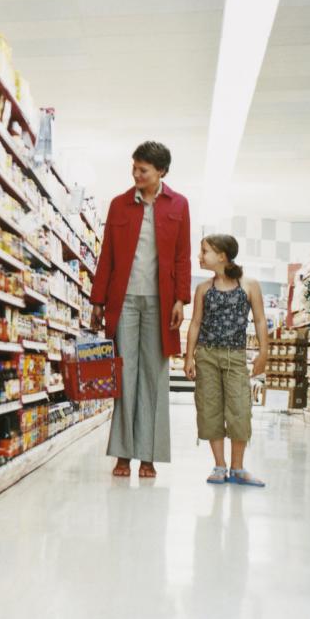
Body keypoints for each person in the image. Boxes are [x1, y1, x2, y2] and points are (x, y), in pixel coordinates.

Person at [90, 142, 191, 478]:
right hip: (124, 301)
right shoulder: (120, 205)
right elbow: (107, 255)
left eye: (143, 170)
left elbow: (182, 256)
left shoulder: (179, 205)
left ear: (161, 171)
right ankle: (122, 454)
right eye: (134, 168)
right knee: (124, 376)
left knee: (153, 377)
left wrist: (180, 299)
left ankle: (148, 455)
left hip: (161, 304)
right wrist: (97, 301)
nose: (135, 174)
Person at [184, 234, 268, 487]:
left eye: (204, 251)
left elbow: (261, 320)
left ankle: (238, 468)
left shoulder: (249, 285)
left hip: (236, 356)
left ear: (222, 256)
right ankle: (220, 466)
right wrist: (189, 356)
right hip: (207, 355)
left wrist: (264, 352)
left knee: (240, 409)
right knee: (209, 408)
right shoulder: (203, 289)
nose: (200, 256)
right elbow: (196, 323)